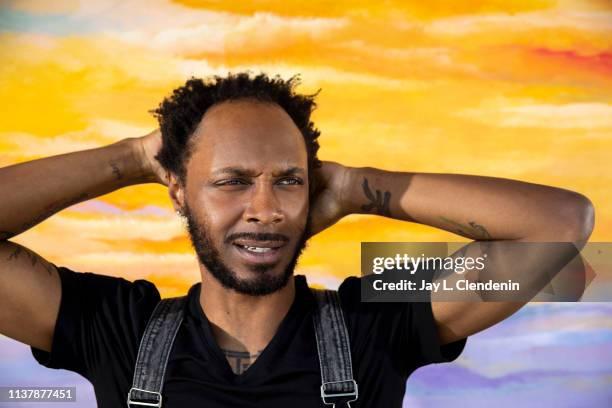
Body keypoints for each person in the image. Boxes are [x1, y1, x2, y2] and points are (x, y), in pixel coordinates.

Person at [0, 72, 594, 407]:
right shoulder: (118, 328)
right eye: (232, 181)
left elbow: (561, 223)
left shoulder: (379, 315)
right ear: (178, 190)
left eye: (288, 181)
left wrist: (360, 187)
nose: (266, 210)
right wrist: (132, 157)